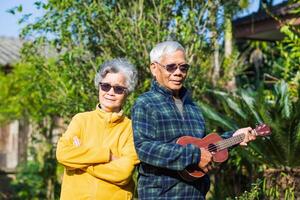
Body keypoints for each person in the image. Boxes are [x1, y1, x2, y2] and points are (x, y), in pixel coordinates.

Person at [131, 41, 256, 199]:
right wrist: (194, 155)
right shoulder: (145, 103)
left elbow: (206, 147)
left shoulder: (193, 107)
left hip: (196, 194)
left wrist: (235, 137)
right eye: (171, 67)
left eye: (183, 67)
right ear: (154, 68)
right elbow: (144, 148)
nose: (178, 72)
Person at [56, 58, 139, 199]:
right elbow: (63, 154)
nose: (110, 92)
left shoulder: (131, 129)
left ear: (127, 92)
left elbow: (123, 172)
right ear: (99, 86)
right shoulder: (80, 120)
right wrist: (107, 156)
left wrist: (80, 162)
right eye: (105, 86)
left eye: (118, 89)